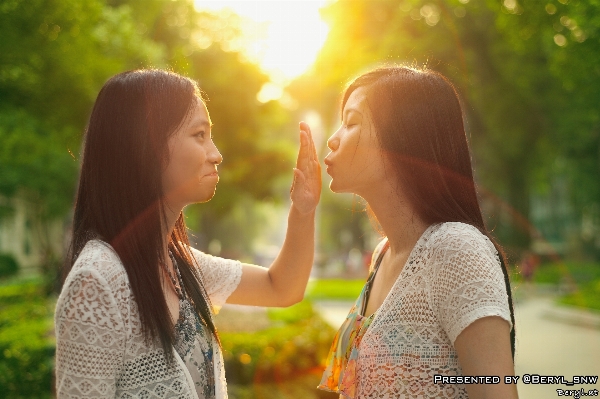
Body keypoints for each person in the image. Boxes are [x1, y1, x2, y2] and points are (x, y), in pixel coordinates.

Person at [54, 69, 321, 399]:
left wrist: (304, 209)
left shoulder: (181, 264)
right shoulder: (98, 282)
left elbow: (282, 287)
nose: (216, 154)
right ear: (146, 145)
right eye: (199, 135)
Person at [318, 66, 517, 399]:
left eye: (351, 122)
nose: (333, 138)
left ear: (401, 139)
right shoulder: (383, 254)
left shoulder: (456, 249)